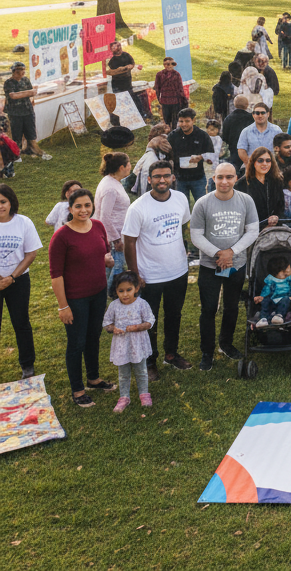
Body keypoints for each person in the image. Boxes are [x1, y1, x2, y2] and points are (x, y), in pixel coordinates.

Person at [122, 160, 193, 380]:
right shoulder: (138, 208)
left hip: (178, 271)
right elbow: (129, 242)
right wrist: (135, 275)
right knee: (149, 321)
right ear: (149, 179)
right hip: (149, 276)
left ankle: (171, 354)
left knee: (174, 315)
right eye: (157, 176)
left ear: (173, 177)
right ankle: (150, 361)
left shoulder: (181, 199)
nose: (162, 180)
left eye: (166, 176)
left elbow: (183, 226)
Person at [189, 163, 260, 370]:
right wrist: (218, 253)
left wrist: (232, 252)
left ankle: (226, 344)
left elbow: (252, 230)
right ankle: (207, 351)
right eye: (220, 177)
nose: (224, 182)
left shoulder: (245, 201)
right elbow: (196, 235)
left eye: (229, 177)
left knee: (231, 307)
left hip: (236, 264)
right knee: (209, 308)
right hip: (210, 265)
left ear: (235, 178)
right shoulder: (202, 203)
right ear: (213, 178)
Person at [50, 187, 116, 406]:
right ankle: (77, 389)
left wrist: (106, 261)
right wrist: (63, 306)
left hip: (98, 293)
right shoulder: (62, 236)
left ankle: (94, 378)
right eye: (78, 206)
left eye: (87, 205)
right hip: (75, 299)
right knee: (76, 343)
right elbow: (56, 275)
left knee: (93, 337)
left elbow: (104, 252)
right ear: (70, 208)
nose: (83, 210)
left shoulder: (98, 226)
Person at [0, 184, 41, 379]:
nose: (0, 206)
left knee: (21, 323)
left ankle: (27, 365)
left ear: (11, 202)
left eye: (3, 202)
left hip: (18, 280)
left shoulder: (23, 222)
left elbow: (31, 253)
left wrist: (12, 277)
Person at [103, 271, 155, 413]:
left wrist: (138, 327)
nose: (125, 294)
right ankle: (124, 397)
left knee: (141, 371)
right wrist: (113, 329)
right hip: (122, 345)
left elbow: (150, 321)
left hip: (138, 344)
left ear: (136, 288)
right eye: (121, 291)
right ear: (116, 291)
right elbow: (106, 323)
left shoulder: (141, 304)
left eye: (128, 290)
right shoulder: (114, 306)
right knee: (123, 373)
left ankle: (144, 394)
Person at [94, 152, 132, 291]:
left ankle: (107, 296)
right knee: (117, 271)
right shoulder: (110, 188)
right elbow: (104, 216)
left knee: (111, 271)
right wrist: (116, 240)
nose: (130, 167)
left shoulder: (113, 182)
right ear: (122, 167)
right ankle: (113, 295)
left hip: (114, 235)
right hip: (114, 238)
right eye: (128, 164)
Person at [166, 107, 213, 206]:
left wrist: (201, 157)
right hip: (179, 178)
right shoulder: (173, 136)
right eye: (181, 121)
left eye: (187, 121)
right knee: (181, 207)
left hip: (198, 177)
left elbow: (211, 155)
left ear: (193, 120)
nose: (183, 124)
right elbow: (166, 156)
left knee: (203, 206)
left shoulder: (202, 135)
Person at [3, 61, 49, 159]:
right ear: (15, 71)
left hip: (28, 110)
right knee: (16, 134)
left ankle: (32, 149)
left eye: (24, 70)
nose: (23, 72)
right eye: (21, 70)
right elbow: (13, 96)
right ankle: (16, 154)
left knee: (31, 132)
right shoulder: (8, 83)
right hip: (15, 112)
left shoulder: (25, 80)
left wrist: (28, 95)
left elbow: (33, 92)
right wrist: (29, 93)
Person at [254, 256, 291, 327]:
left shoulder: (289, 279)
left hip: (284, 299)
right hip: (272, 300)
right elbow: (266, 289)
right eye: (284, 271)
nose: (286, 272)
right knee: (265, 300)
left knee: (285, 299)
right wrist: (261, 297)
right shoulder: (271, 280)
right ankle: (263, 318)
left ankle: (279, 315)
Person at [235, 102, 282, 169]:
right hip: (251, 167)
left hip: (272, 167)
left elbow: (281, 149)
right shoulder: (246, 131)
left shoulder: (277, 130)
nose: (260, 116)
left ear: (268, 114)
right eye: (257, 113)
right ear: (253, 115)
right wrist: (250, 164)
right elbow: (241, 150)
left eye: (263, 113)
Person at [153, 57, 187, 130]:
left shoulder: (176, 74)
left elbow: (180, 88)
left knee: (175, 119)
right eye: (167, 64)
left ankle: (174, 131)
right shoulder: (159, 74)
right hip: (165, 100)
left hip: (175, 100)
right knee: (166, 119)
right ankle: (168, 132)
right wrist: (159, 99)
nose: (170, 66)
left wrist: (182, 98)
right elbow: (157, 88)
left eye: (172, 64)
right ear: (164, 65)